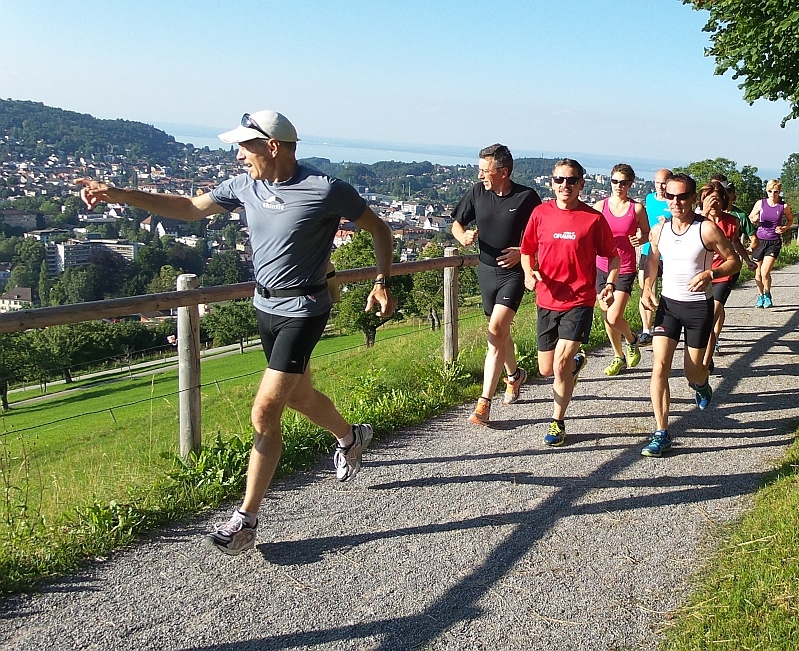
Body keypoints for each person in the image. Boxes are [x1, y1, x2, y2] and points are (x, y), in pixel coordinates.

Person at [75, 111, 397, 555]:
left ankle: (246, 520)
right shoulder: (246, 186)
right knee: (299, 395)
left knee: (265, 411)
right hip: (264, 306)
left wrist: (382, 280)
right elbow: (188, 209)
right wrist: (120, 194)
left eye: (245, 146)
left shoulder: (325, 189)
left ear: (273, 147)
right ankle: (351, 437)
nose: (238, 155)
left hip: (304, 308)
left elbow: (379, 228)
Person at [520, 159, 619, 447]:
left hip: (579, 299)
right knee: (545, 370)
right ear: (551, 182)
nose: (565, 185)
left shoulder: (593, 219)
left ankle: (557, 422)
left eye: (571, 180)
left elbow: (613, 256)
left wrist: (609, 284)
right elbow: (527, 250)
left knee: (560, 366)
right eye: (559, 180)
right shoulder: (540, 214)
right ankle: (575, 363)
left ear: (581, 184)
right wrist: (528, 273)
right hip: (547, 298)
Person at [640, 173, 739, 458]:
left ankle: (700, 383)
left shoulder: (706, 229)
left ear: (693, 199)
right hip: (669, 307)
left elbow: (732, 262)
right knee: (659, 367)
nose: (676, 202)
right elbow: (652, 260)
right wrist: (647, 288)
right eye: (670, 196)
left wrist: (712, 273)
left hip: (698, 307)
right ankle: (661, 432)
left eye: (682, 196)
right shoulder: (659, 231)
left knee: (691, 371)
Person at [452, 144, 541, 426]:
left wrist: (522, 252)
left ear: (503, 171)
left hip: (513, 275)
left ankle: (484, 404)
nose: (480, 176)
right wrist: (463, 237)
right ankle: (514, 376)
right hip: (486, 273)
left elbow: (542, 237)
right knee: (500, 333)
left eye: (484, 170)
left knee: (495, 331)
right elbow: (456, 223)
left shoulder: (527, 197)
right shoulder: (478, 192)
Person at [591, 164, 650, 376]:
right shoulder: (600, 206)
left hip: (625, 267)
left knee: (614, 317)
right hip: (601, 267)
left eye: (623, 182)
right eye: (615, 181)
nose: (618, 186)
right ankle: (618, 356)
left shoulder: (636, 209)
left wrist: (640, 238)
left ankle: (632, 339)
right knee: (607, 315)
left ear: (630, 184)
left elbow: (647, 233)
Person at [699, 181, 756, 371]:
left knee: (711, 315)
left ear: (724, 201)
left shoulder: (732, 221)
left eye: (717, 200)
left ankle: (705, 364)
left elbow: (734, 243)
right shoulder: (697, 221)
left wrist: (747, 259)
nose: (713, 205)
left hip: (724, 273)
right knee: (702, 320)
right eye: (709, 200)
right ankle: (708, 352)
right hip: (701, 274)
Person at [637, 169, 672, 345]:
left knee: (668, 291)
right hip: (647, 251)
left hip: (669, 254)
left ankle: (666, 325)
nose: (660, 186)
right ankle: (646, 330)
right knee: (646, 289)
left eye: (664, 182)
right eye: (657, 182)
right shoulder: (649, 199)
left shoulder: (673, 201)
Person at [747, 179, 793, 308]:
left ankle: (767, 294)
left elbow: (790, 219)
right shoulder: (760, 203)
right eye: (770, 191)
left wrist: (784, 228)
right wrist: (754, 219)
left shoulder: (783, 206)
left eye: (776, 191)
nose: (773, 194)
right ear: (766, 191)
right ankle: (760, 295)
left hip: (774, 241)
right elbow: (750, 218)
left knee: (765, 272)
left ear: (779, 192)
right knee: (757, 272)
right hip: (759, 240)